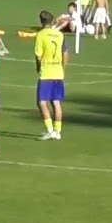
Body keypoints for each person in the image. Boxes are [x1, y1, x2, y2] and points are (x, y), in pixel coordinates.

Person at [34, 10, 69, 141]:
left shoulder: (41, 35)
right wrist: (62, 69)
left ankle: (49, 130)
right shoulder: (60, 35)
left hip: (46, 73)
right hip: (58, 73)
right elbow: (65, 53)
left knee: (41, 102)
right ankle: (57, 131)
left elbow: (38, 55)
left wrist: (38, 68)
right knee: (56, 102)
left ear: (41, 21)